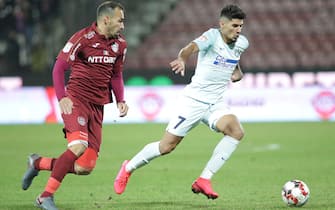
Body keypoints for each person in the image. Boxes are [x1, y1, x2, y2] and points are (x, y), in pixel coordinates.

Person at [114, 4, 249, 200]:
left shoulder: (242, 42)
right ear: (222, 24)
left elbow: (234, 55)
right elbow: (189, 48)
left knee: (236, 131)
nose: (238, 30)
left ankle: (204, 179)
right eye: (234, 26)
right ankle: (128, 168)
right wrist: (182, 59)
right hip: (193, 102)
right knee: (166, 146)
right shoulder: (212, 36)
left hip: (215, 104)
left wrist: (237, 71)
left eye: (241, 26)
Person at [21, 1, 128, 209]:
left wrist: (121, 99)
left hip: (98, 107)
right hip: (76, 100)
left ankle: (38, 162)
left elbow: (116, 75)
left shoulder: (120, 45)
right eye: (120, 20)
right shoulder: (82, 38)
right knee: (78, 146)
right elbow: (59, 68)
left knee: (84, 167)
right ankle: (45, 196)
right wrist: (62, 97)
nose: (123, 25)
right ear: (106, 19)